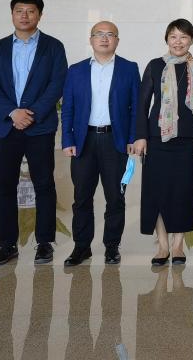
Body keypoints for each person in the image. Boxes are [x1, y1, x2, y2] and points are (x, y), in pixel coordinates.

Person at [0, 0, 67, 266]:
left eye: (30, 11)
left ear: (39, 15)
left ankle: (44, 243)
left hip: (39, 127)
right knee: (5, 187)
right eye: (19, 10)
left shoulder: (53, 47)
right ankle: (7, 245)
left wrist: (33, 113)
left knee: (44, 185)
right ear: (12, 14)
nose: (24, 15)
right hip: (6, 127)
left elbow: (57, 83)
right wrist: (12, 112)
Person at [60, 21, 140, 266]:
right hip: (84, 141)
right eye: (99, 34)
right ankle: (81, 247)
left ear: (117, 40)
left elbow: (136, 108)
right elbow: (68, 108)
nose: (104, 39)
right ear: (91, 39)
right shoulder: (76, 70)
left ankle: (111, 247)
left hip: (115, 141)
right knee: (82, 197)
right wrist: (67, 139)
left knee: (115, 197)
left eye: (110, 35)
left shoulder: (129, 68)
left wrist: (132, 138)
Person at [131, 18, 193, 266]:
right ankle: (163, 245)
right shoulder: (155, 66)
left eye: (183, 37)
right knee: (157, 193)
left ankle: (178, 244)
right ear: (166, 39)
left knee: (183, 192)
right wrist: (140, 136)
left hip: (188, 140)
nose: (178, 42)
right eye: (173, 36)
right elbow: (142, 104)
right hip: (157, 139)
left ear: (191, 40)